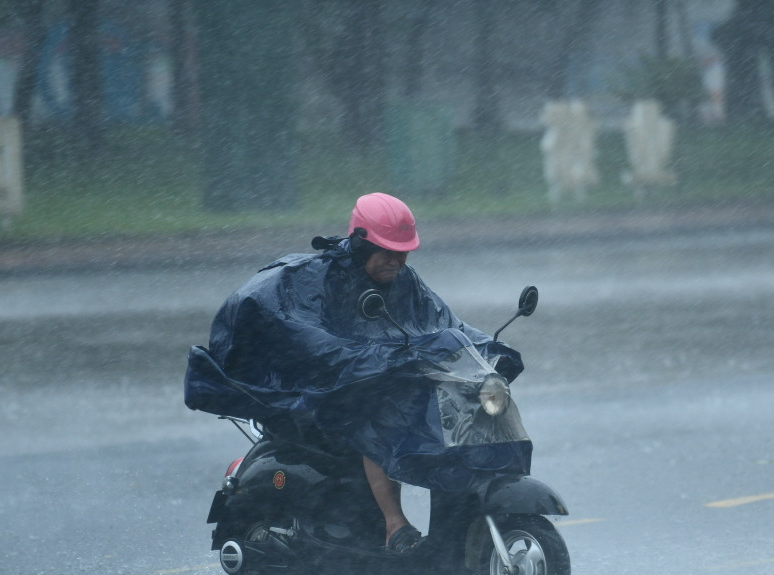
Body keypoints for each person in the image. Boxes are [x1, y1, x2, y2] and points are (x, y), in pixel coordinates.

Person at [186, 192, 524, 554]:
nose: (397, 260)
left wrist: (490, 351)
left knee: (447, 413)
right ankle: (395, 528)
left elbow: (445, 324)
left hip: (372, 380)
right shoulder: (314, 281)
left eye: (403, 250)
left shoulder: (404, 282)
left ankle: (451, 534)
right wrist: (372, 359)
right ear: (362, 244)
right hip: (321, 394)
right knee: (383, 417)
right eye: (388, 251)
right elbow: (310, 342)